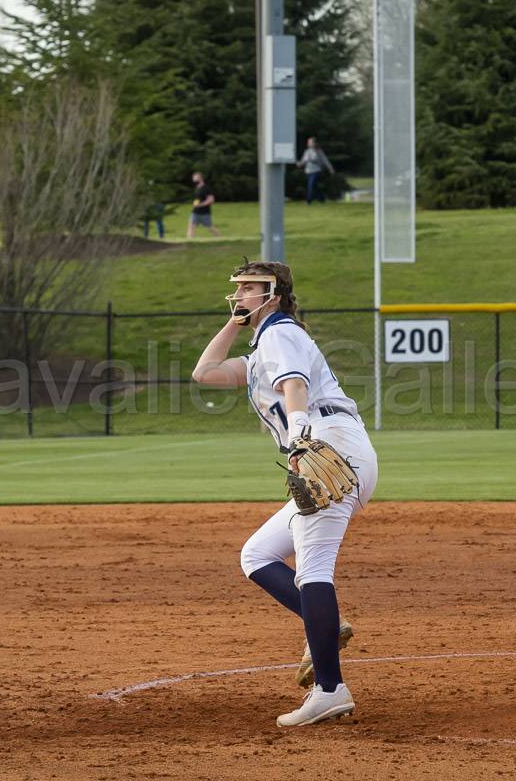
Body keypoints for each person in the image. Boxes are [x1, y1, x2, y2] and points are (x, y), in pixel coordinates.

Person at [192, 260, 378, 727]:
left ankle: (330, 689)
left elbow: (294, 385)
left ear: (273, 294)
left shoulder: (280, 332)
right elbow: (206, 372)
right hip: (330, 445)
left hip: (326, 443)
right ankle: (326, 628)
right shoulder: (260, 351)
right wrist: (234, 323)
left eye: (250, 288)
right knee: (256, 555)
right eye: (238, 288)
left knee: (314, 568)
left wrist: (297, 436)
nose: (240, 294)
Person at [296, 137, 335, 205]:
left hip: (316, 171)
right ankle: (322, 198)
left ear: (314, 143)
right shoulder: (307, 151)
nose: (308, 143)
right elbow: (304, 161)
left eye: (309, 142)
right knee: (315, 186)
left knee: (310, 185)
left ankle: (308, 201)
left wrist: (330, 168)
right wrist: (300, 164)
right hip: (308, 171)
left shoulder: (319, 151)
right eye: (308, 142)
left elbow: (325, 160)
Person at [187, 171, 220, 238]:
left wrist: (200, 205)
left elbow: (211, 200)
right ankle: (190, 241)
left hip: (205, 212)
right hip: (195, 211)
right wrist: (195, 203)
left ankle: (218, 237)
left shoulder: (206, 188)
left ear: (200, 178)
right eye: (193, 178)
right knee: (191, 226)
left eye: (195, 178)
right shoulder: (197, 188)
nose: (194, 180)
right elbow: (198, 199)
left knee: (210, 227)